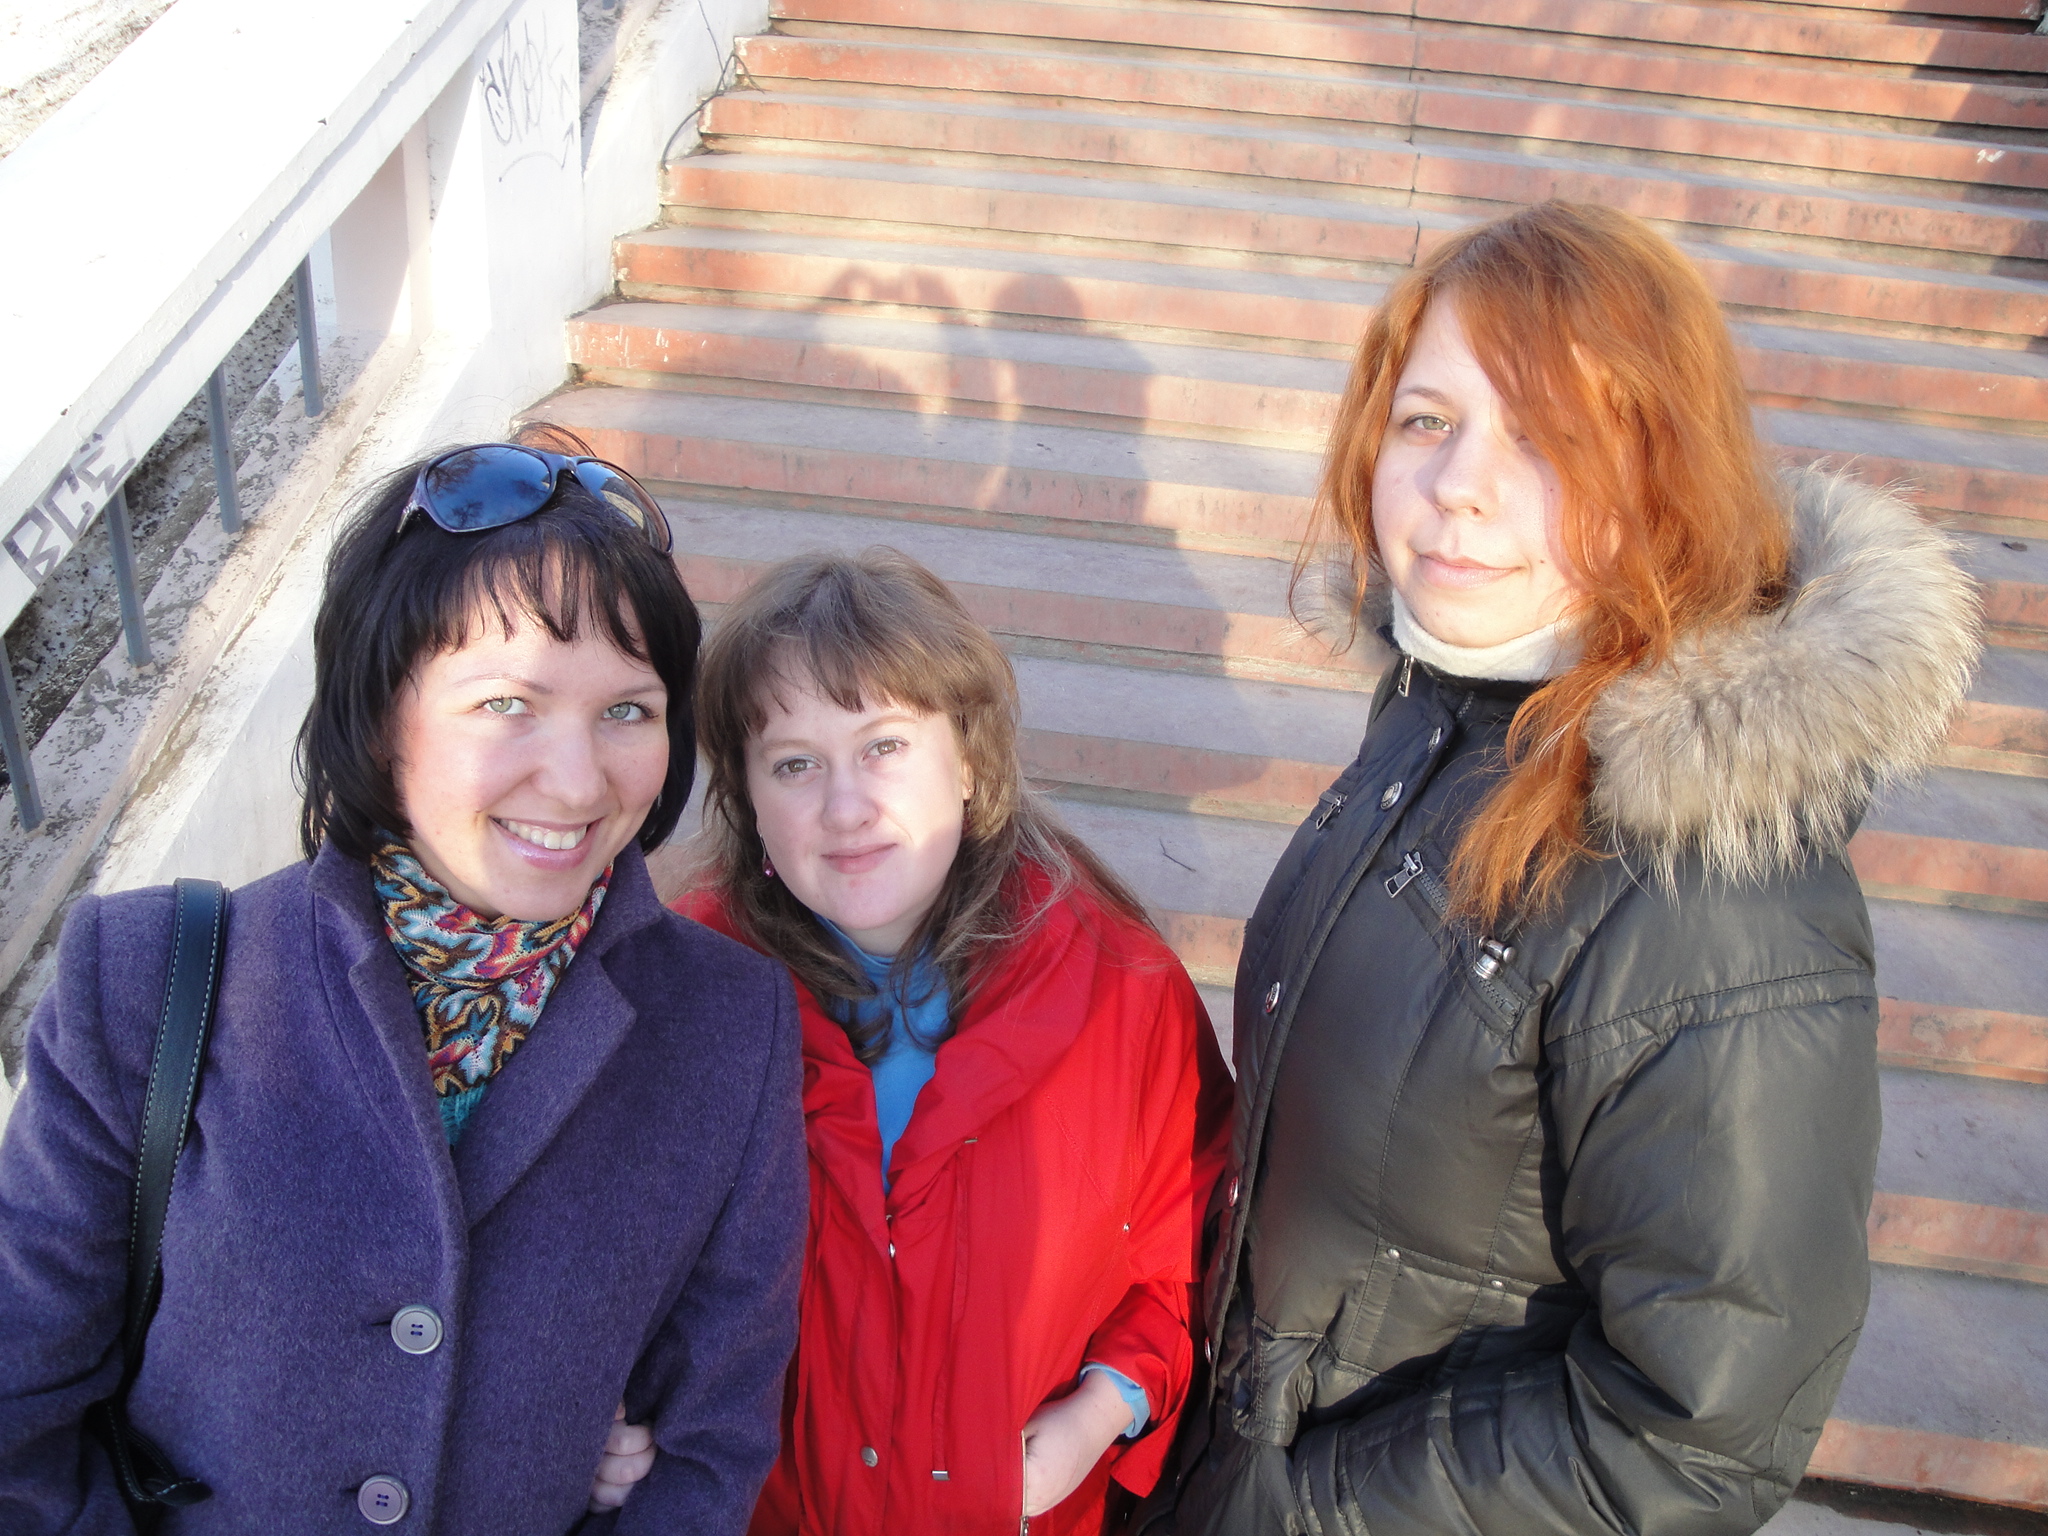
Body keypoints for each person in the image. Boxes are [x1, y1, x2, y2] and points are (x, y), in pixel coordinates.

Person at [1149, 202, 1981, 1534]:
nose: (1457, 483)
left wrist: (1303, 1510)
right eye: (1426, 419)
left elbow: (1696, 1430)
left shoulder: (1708, 885)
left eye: (1545, 437)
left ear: (1660, 470)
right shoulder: (1446, 711)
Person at [0, 430, 807, 1534]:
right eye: (506, 703)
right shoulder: (148, 981)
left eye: (627, 710)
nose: (578, 782)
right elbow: (19, 1409)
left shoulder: (727, 1026)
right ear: (384, 714)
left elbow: (709, 1447)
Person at [601, 549, 1233, 1534]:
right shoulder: (674, 997)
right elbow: (593, 1272)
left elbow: (1186, 1253)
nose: (845, 807)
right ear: (750, 803)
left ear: (969, 762)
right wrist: (598, 1418)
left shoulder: (1121, 989)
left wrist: (1103, 1407)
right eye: (795, 764)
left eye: (884, 746)